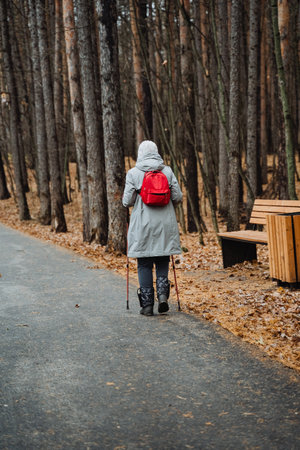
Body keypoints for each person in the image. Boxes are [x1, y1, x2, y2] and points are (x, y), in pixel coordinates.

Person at [122, 140, 183, 316]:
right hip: (164, 223)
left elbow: (127, 202)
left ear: (140, 153)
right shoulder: (168, 171)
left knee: (144, 263)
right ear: (156, 152)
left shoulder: (133, 173)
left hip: (142, 225)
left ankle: (147, 305)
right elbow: (177, 197)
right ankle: (163, 296)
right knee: (163, 258)